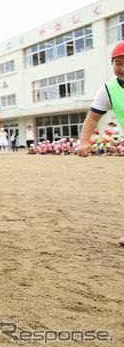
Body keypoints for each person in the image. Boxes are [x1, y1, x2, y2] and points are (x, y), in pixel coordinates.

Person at [78, 40, 124, 246]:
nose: (122, 68)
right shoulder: (108, 89)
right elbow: (93, 117)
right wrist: (85, 140)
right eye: (118, 63)